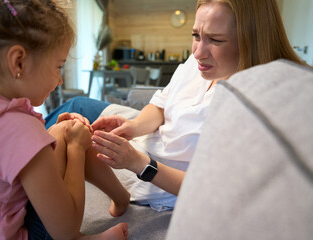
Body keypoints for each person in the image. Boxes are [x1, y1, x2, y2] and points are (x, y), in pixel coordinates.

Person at [45, 0, 307, 211]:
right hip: (147, 135)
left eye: (215, 40)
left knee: (62, 137)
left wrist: (138, 163)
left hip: (152, 168)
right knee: (74, 108)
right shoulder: (198, 64)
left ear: (252, 39)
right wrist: (134, 126)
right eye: (196, 35)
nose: (198, 52)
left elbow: (211, 190)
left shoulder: (255, 104)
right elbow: (160, 104)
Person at [0, 1, 130, 239]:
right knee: (72, 133)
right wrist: (77, 148)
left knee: (64, 129)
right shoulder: (17, 127)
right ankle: (107, 215)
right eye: (58, 66)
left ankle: (120, 198)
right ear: (18, 62)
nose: (59, 80)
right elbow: (64, 230)